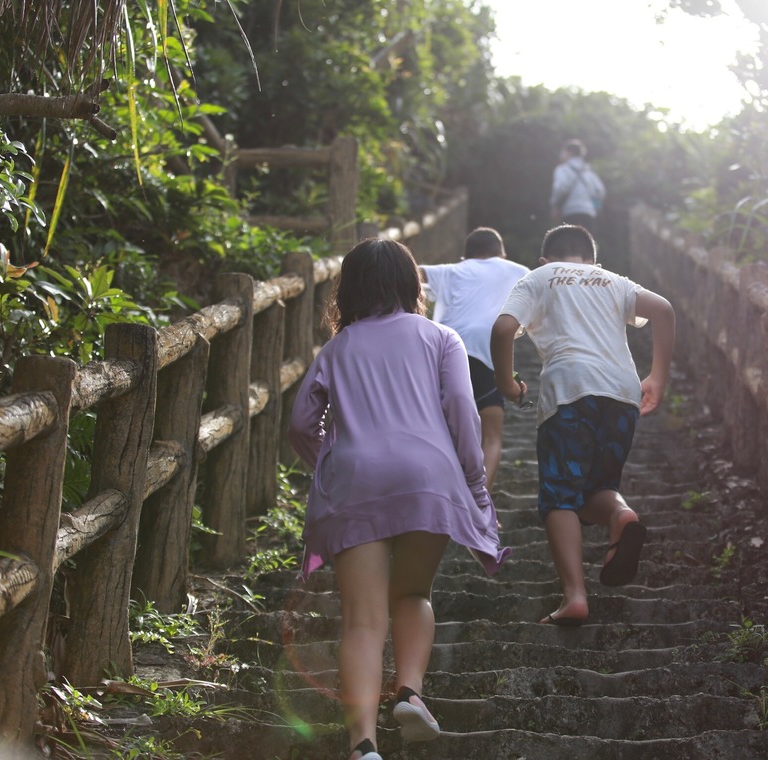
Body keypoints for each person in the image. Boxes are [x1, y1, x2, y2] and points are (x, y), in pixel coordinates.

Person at [287, 238, 511, 760]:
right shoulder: (441, 337)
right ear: (412, 285)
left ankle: (363, 745)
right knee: (412, 594)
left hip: (355, 480)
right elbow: (463, 411)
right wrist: (475, 486)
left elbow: (300, 424)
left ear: (347, 290)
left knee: (363, 620)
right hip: (427, 478)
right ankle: (410, 693)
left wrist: (328, 464)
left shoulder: (336, 350)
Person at [490, 224, 675, 626]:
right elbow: (663, 309)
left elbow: (503, 329)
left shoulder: (539, 276)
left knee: (559, 497)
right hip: (623, 394)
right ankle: (620, 515)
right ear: (593, 261)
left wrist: (506, 384)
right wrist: (657, 377)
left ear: (544, 260)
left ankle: (574, 596)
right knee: (594, 489)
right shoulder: (612, 279)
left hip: (570, 393)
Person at [419, 227, 530, 493]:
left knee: (442, 432)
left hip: (444, 352)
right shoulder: (520, 271)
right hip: (488, 352)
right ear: (502, 255)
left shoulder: (452, 271)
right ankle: (479, 502)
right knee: (491, 438)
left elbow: (409, 270)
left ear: (465, 257)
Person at [549, 138, 605, 232]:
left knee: (570, 240)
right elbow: (600, 191)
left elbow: (560, 189)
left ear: (569, 152)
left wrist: (555, 205)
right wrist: (595, 207)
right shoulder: (589, 171)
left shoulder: (563, 169)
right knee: (587, 240)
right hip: (588, 213)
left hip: (570, 212)